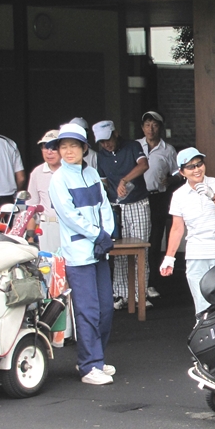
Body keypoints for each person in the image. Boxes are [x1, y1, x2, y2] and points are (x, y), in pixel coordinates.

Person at [46, 123, 116, 386]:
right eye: (63, 146)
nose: (68, 151)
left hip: (99, 251)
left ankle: (96, 358)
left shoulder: (92, 173)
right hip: (78, 253)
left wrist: (107, 234)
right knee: (88, 311)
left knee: (106, 309)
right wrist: (98, 235)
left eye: (73, 146)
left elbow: (104, 205)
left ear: (84, 148)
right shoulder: (58, 179)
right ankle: (89, 365)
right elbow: (69, 216)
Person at [159, 147, 215, 315]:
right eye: (190, 167)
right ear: (182, 172)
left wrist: (213, 196)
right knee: (202, 305)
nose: (197, 170)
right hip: (196, 254)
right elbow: (177, 228)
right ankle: (205, 331)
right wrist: (169, 258)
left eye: (199, 164)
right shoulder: (179, 195)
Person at [92, 120, 152, 310]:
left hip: (138, 203)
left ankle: (140, 293)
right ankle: (121, 293)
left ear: (115, 133)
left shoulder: (132, 146)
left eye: (108, 140)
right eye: (102, 142)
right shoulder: (101, 156)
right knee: (117, 251)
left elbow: (143, 165)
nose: (106, 144)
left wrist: (124, 180)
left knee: (141, 249)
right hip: (115, 207)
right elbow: (103, 182)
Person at [136, 110, 178, 299]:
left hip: (158, 198)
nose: (150, 129)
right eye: (147, 125)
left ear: (160, 127)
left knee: (154, 241)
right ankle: (136, 283)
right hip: (137, 198)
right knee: (137, 241)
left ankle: (151, 282)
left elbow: (178, 173)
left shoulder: (168, 149)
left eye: (154, 125)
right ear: (142, 128)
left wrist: (170, 180)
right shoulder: (136, 146)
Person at [27, 129, 62, 252]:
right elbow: (32, 207)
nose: (49, 152)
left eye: (54, 148)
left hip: (69, 226)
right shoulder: (37, 172)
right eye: (45, 147)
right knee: (48, 262)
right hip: (47, 226)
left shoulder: (72, 171)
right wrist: (30, 237)